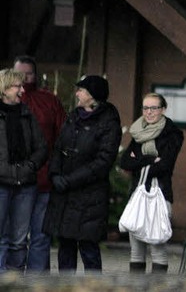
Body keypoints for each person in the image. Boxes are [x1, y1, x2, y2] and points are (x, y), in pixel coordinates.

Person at [43, 75, 122, 273]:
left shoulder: (109, 122)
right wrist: (54, 175)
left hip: (90, 197)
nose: (77, 93)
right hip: (65, 195)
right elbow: (59, 147)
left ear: (93, 96)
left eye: (81, 91)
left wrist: (69, 180)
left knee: (88, 248)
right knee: (66, 247)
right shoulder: (73, 116)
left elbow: (103, 162)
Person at [9, 56, 66, 272]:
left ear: (36, 74)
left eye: (28, 74)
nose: (23, 79)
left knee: (41, 236)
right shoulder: (6, 101)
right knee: (15, 236)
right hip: (15, 181)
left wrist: (57, 171)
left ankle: (37, 283)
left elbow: (63, 137)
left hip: (44, 180)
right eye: (19, 74)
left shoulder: (49, 101)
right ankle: (13, 281)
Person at [119, 93, 184, 274]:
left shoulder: (172, 134)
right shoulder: (138, 131)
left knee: (158, 249)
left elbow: (165, 165)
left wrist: (138, 160)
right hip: (137, 194)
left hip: (161, 195)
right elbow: (124, 162)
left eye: (153, 108)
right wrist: (149, 160)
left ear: (163, 110)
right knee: (136, 250)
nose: (148, 112)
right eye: (145, 108)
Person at [0, 69, 47, 272]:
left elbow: (41, 148)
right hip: (1, 184)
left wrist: (29, 167)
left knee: (19, 240)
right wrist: (6, 170)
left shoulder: (27, 114)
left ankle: (15, 283)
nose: (21, 90)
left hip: (25, 186)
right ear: (4, 88)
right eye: (17, 86)